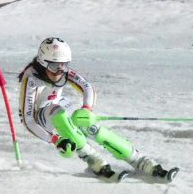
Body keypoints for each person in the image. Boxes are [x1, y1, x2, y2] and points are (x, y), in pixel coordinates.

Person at [18, 37, 178, 182]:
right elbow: (28, 120)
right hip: (41, 117)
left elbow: (87, 88)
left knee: (89, 126)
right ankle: (92, 158)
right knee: (58, 113)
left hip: (57, 105)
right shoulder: (31, 79)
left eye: (64, 65)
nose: (60, 71)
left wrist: (87, 109)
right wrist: (55, 140)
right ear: (43, 63)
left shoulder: (63, 72)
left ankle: (139, 160)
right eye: (54, 66)